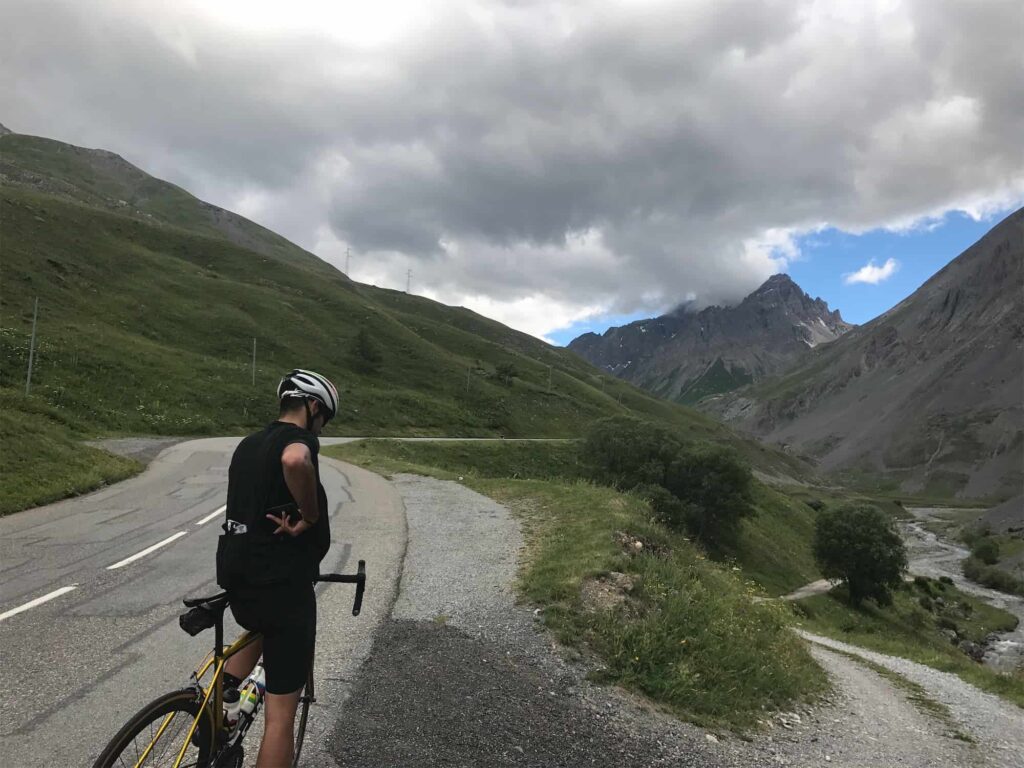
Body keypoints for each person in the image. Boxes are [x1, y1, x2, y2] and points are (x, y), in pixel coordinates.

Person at [215, 368, 338, 768]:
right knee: (280, 720)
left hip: (238, 578)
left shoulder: (248, 444)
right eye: (323, 420)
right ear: (312, 407)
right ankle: (229, 708)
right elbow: (295, 458)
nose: (321, 429)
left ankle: (218, 704)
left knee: (263, 624)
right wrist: (310, 515)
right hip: (282, 586)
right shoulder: (297, 440)